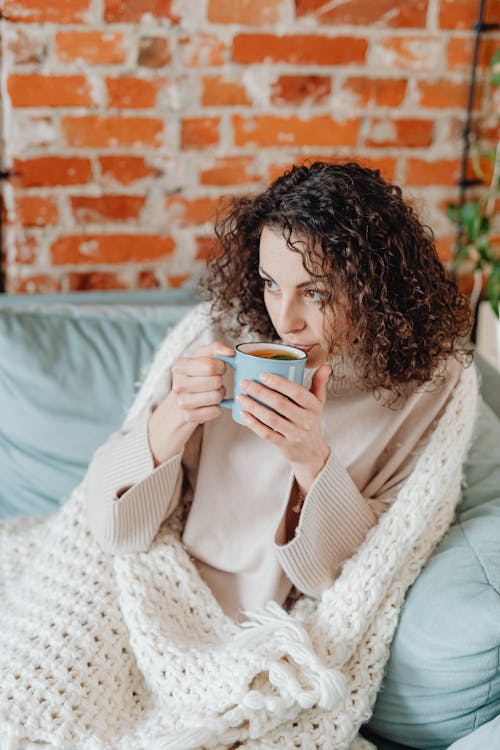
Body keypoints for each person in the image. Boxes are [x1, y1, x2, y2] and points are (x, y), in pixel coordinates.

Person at [85, 161, 472, 623]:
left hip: (280, 628)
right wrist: (176, 413)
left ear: (375, 287)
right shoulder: (222, 332)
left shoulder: (431, 386)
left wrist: (309, 459)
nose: (284, 321)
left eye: (316, 293)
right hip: (160, 591)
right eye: (271, 284)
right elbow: (113, 531)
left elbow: (356, 578)